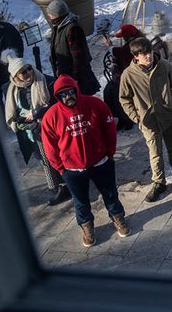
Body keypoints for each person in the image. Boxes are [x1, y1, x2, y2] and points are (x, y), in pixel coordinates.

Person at [41, 75, 129, 247]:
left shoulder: (95, 105)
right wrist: (61, 168)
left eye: (70, 92)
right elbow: (49, 146)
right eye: (63, 94)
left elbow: (109, 129)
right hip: (72, 169)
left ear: (76, 90)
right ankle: (87, 226)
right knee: (80, 201)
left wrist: (109, 155)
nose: (68, 96)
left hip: (100, 162)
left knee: (110, 194)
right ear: (57, 96)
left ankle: (118, 218)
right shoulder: (51, 117)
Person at [118, 36, 172, 203]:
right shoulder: (128, 75)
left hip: (168, 116)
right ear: (136, 57)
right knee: (155, 153)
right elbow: (124, 99)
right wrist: (137, 117)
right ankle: (159, 182)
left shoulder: (164, 66)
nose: (148, 56)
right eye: (143, 54)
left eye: (149, 52)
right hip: (148, 122)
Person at [2, 50, 69, 206]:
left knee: (54, 158)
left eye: (28, 68)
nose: (28, 73)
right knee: (43, 159)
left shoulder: (46, 81)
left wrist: (41, 112)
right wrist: (19, 120)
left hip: (49, 128)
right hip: (30, 131)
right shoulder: (13, 89)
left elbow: (59, 104)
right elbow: (14, 111)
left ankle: (65, 187)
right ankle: (58, 186)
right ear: (15, 77)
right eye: (22, 72)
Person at [45, 0, 100, 96]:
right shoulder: (58, 26)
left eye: (51, 15)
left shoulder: (72, 29)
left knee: (80, 100)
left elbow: (78, 57)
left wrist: (75, 78)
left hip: (76, 77)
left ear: (58, 15)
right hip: (64, 74)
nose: (49, 17)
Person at [101, 23, 144, 131]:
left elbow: (122, 54)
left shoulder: (136, 45)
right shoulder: (138, 41)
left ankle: (126, 118)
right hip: (129, 76)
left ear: (128, 36)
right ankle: (121, 118)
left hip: (132, 78)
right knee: (109, 90)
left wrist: (109, 46)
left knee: (113, 92)